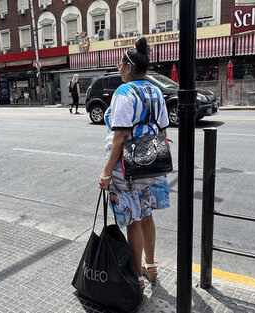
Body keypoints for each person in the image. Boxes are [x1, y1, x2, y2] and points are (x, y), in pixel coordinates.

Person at [98, 37, 170, 291]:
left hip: (126, 166)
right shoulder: (156, 91)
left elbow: (120, 136)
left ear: (129, 66)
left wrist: (107, 172)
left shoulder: (124, 92)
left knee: (133, 220)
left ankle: (136, 279)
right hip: (151, 161)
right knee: (147, 213)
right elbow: (162, 129)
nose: (118, 67)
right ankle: (151, 267)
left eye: (119, 63)